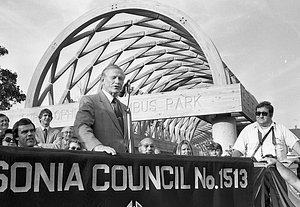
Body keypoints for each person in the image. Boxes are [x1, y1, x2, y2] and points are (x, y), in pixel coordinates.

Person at [74, 64, 130, 155]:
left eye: (120, 79)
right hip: (102, 159)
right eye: (113, 77)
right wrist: (96, 146)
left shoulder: (125, 108)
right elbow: (81, 126)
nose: (117, 81)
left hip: (124, 162)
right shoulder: (90, 101)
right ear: (103, 80)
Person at [232, 101, 300, 161]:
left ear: (271, 115)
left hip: (278, 171)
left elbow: (295, 145)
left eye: (264, 114)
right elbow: (237, 151)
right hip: (256, 171)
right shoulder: (247, 130)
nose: (261, 116)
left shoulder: (281, 129)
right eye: (258, 113)